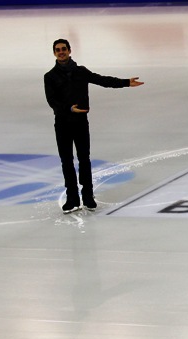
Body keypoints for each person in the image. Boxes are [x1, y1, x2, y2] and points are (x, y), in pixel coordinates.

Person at [44, 38, 144, 213]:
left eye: (64, 49)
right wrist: (68, 109)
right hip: (62, 124)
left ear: (69, 50)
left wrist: (126, 82)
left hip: (81, 122)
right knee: (67, 161)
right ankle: (72, 199)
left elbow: (103, 80)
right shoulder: (50, 77)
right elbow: (52, 101)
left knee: (84, 160)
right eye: (58, 50)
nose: (61, 52)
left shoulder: (80, 71)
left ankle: (88, 197)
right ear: (54, 53)